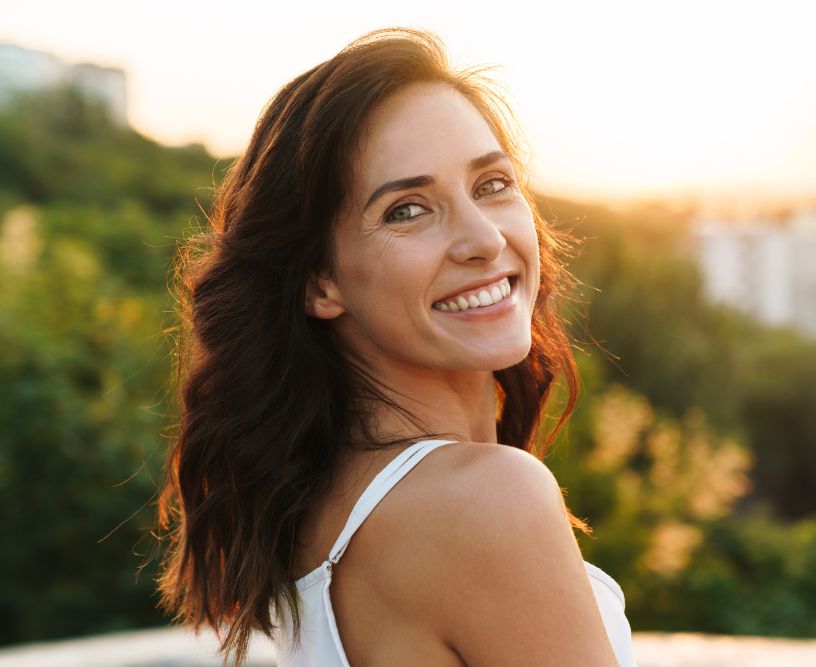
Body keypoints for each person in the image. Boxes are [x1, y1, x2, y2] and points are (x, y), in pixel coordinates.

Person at [156, 27, 636, 667]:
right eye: (407, 210)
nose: (484, 239)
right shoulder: (486, 500)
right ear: (318, 281)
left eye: (492, 183)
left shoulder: (322, 506)